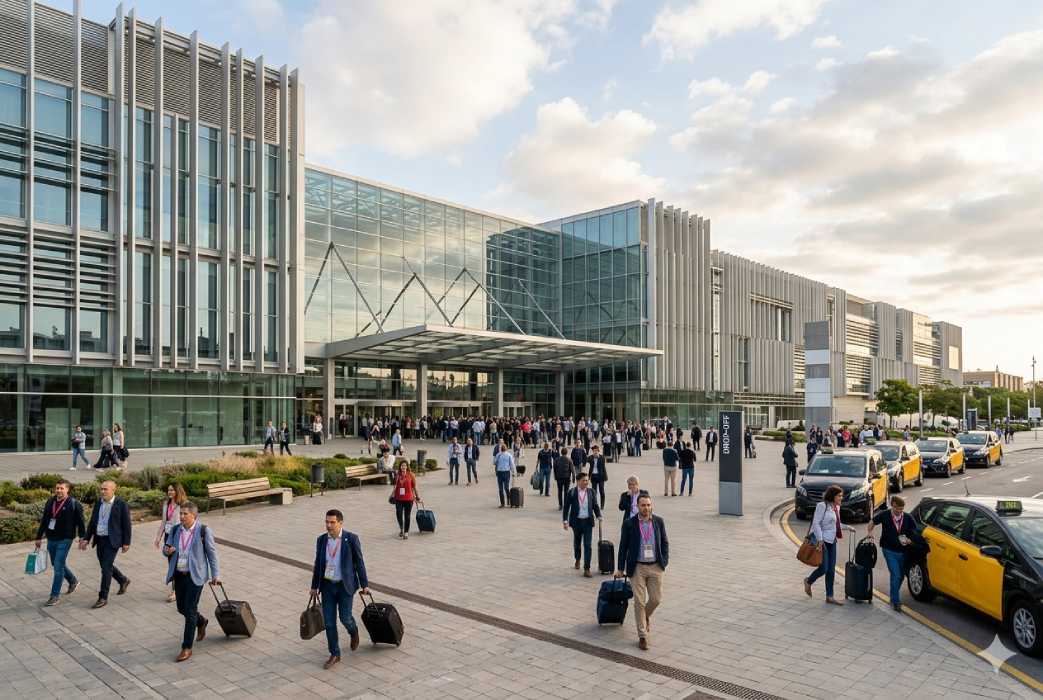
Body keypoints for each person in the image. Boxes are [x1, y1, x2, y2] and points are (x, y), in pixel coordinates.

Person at [310, 509, 370, 670]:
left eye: (332, 522)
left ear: (340, 523)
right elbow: (318, 564)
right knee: (329, 623)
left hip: (345, 586)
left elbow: (359, 562)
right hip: (328, 586)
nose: (328, 525)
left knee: (345, 618)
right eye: (327, 522)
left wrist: (364, 584)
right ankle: (335, 654)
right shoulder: (322, 540)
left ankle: (354, 631)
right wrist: (314, 586)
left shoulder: (351, 539)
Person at [162, 502, 220, 662]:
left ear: (194, 515)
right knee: (182, 608)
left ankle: (186, 647)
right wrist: (167, 550)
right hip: (179, 574)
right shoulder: (175, 530)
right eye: (180, 514)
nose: (181, 516)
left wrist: (216, 574)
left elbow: (212, 554)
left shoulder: (203, 531)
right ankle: (201, 621)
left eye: (185, 514)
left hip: (196, 576)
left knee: (189, 609)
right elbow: (165, 549)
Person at [615, 494, 669, 651]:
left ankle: (645, 616)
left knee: (656, 599)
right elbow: (623, 546)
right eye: (643, 505)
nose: (646, 508)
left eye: (648, 505)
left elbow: (665, 542)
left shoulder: (658, 521)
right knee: (639, 601)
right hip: (637, 567)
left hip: (655, 566)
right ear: (637, 506)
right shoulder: (629, 524)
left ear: (651, 506)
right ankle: (642, 636)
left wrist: (664, 561)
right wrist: (620, 568)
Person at [80, 480, 131, 608]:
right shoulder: (99, 503)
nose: (102, 491)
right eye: (101, 489)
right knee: (105, 565)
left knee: (106, 568)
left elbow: (127, 524)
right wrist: (86, 538)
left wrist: (126, 542)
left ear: (113, 490)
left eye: (105, 489)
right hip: (100, 539)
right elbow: (92, 522)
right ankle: (123, 580)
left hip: (112, 540)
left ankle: (103, 597)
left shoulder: (121, 504)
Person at [34, 479, 85, 606]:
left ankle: (54, 595)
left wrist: (82, 538)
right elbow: (45, 520)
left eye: (62, 488)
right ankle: (73, 581)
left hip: (66, 538)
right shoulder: (50, 501)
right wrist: (39, 537)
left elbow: (81, 522)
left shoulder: (74, 503)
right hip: (51, 538)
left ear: (67, 490)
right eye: (57, 488)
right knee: (57, 563)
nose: (59, 490)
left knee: (58, 566)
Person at [866, 495, 921, 611]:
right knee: (896, 575)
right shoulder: (885, 515)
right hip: (888, 550)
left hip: (904, 552)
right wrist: (870, 532)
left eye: (901, 509)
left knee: (900, 576)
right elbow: (872, 522)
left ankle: (893, 595)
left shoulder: (908, 518)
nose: (899, 511)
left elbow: (915, 532)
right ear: (892, 505)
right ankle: (895, 601)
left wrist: (910, 540)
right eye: (897, 509)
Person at [804, 484, 844, 605]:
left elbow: (836, 525)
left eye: (841, 496)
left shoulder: (837, 508)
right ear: (832, 496)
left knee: (831, 570)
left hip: (832, 541)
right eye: (839, 496)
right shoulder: (822, 506)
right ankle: (808, 581)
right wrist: (820, 540)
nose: (841, 498)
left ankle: (830, 596)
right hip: (822, 540)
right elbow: (816, 523)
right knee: (824, 568)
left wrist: (848, 528)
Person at [562, 472, 602, 577]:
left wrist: (599, 515)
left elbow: (595, 505)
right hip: (576, 522)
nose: (586, 482)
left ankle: (587, 568)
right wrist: (565, 521)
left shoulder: (591, 492)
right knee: (577, 543)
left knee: (588, 545)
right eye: (584, 480)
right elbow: (566, 507)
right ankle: (577, 558)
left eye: (587, 480)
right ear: (578, 481)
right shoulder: (572, 492)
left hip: (588, 522)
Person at [155, 483, 188, 603]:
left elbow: (186, 523)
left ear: (177, 491)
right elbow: (164, 522)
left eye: (172, 490)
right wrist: (158, 537)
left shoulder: (183, 505)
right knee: (171, 563)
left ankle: (176, 591)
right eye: (168, 490)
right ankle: (178, 589)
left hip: (179, 537)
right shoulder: (166, 504)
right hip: (168, 536)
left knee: (177, 564)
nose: (169, 492)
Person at [391, 462, 419, 539]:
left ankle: (406, 532)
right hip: (398, 498)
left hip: (409, 499)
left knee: (407, 516)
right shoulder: (397, 475)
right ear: (400, 467)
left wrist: (417, 496)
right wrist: (392, 494)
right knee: (399, 514)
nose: (403, 467)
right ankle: (401, 528)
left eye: (405, 466)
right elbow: (395, 486)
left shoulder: (411, 475)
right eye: (402, 466)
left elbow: (414, 487)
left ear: (407, 467)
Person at [493, 440, 517, 508]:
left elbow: (494, 462)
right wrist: (514, 472)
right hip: (504, 472)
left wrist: (513, 472)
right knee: (505, 488)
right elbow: (512, 464)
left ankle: (505, 502)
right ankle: (506, 502)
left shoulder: (504, 455)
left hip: (502, 472)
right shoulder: (501, 455)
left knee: (502, 488)